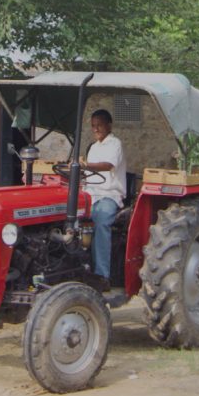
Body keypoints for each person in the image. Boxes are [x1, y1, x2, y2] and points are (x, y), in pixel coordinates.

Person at [80, 109, 126, 289]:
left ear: (109, 125)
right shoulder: (93, 147)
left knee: (100, 220)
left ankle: (102, 275)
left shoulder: (115, 144)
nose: (96, 129)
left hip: (109, 195)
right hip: (91, 194)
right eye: (93, 126)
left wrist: (85, 165)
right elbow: (87, 172)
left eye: (99, 125)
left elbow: (108, 165)